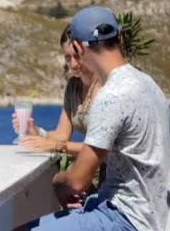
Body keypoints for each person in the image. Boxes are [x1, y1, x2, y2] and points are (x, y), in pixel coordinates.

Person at [14, 6, 170, 231]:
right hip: (148, 216)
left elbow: (76, 182)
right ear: (119, 37)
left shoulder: (112, 95)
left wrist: (59, 180)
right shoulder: (148, 84)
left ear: (79, 47)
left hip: (126, 220)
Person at [12, 24, 106, 194]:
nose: (73, 64)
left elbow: (101, 147)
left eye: (77, 56)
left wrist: (55, 145)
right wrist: (35, 131)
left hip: (105, 181)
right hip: (85, 181)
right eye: (67, 57)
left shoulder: (104, 88)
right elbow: (62, 135)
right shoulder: (73, 87)